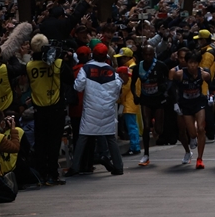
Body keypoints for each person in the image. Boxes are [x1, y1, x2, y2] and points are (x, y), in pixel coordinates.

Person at [66, 44, 124, 177]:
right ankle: (119, 167)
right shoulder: (112, 71)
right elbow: (117, 87)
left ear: (93, 54)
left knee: (83, 137)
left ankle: (75, 167)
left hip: (91, 109)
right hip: (107, 109)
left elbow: (78, 87)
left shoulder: (86, 69)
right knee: (110, 138)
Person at [26, 34, 74, 185]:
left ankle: (42, 174)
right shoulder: (58, 63)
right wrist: (64, 58)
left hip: (39, 110)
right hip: (56, 108)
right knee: (54, 143)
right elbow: (70, 78)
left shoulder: (29, 66)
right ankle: (54, 174)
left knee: (41, 143)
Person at [170, 52, 211, 169]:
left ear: (198, 64)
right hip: (186, 104)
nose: (192, 65)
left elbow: (211, 83)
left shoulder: (203, 74)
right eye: (190, 63)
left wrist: (211, 95)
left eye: (195, 63)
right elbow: (173, 86)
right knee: (193, 133)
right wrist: (175, 102)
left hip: (199, 102)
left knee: (201, 129)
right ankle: (194, 137)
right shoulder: (179, 74)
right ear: (186, 63)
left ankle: (200, 159)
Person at [131, 45, 170, 167]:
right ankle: (146, 154)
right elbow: (132, 84)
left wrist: (165, 90)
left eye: (150, 55)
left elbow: (169, 79)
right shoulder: (138, 67)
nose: (148, 57)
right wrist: (135, 96)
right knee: (146, 127)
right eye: (146, 54)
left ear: (154, 55)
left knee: (159, 130)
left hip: (158, 99)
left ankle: (156, 125)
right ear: (143, 55)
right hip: (145, 99)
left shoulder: (160, 65)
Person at [115, 47, 141, 157]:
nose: (120, 60)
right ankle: (134, 146)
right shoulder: (133, 66)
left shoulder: (129, 69)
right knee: (133, 125)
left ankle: (134, 147)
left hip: (129, 101)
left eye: (121, 58)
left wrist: (118, 98)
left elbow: (126, 87)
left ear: (126, 58)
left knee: (131, 126)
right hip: (132, 100)